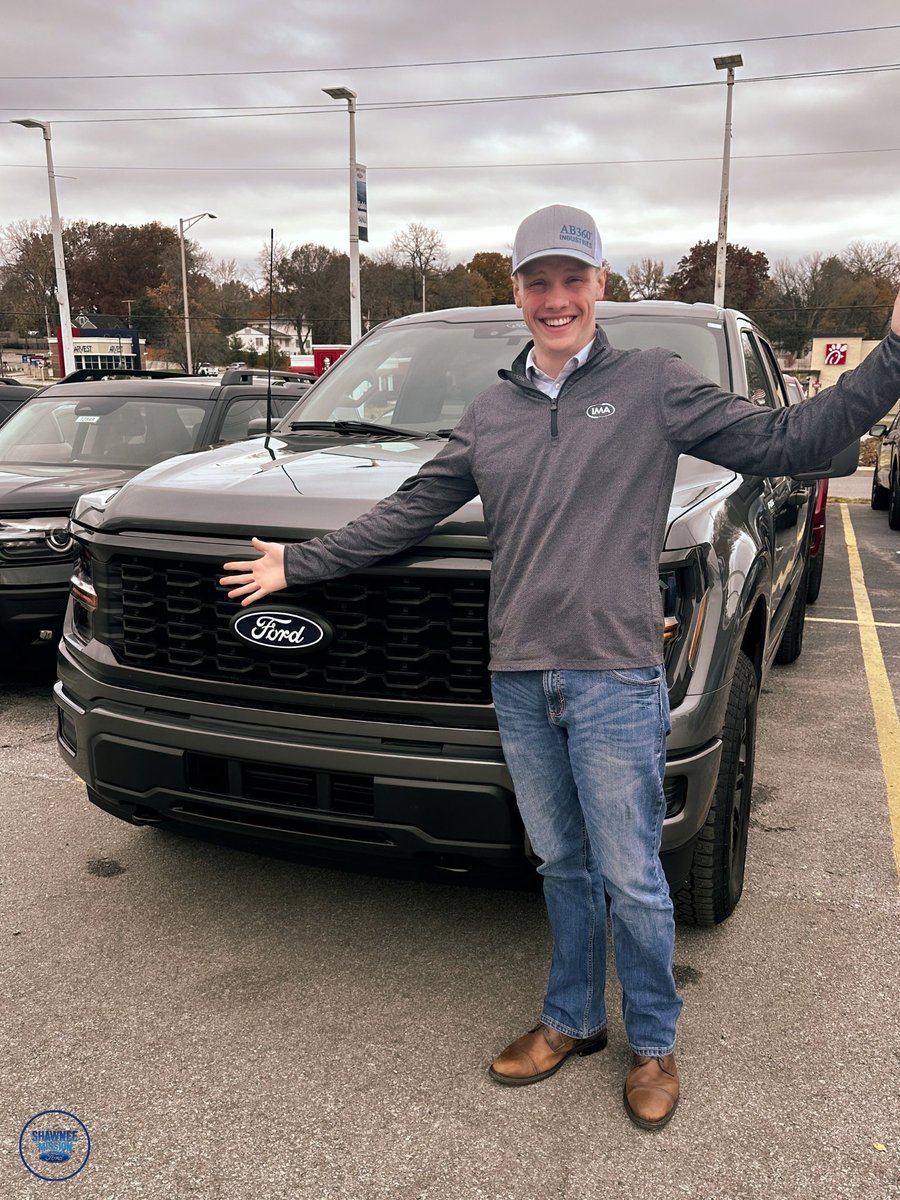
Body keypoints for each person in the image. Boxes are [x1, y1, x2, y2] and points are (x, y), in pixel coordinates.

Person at [222, 204, 900, 1130]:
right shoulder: (491, 414)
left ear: (599, 287)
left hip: (616, 675)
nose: (555, 299)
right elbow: (410, 510)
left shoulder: (654, 384)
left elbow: (786, 441)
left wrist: (893, 354)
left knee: (631, 873)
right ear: (517, 294)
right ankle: (573, 1018)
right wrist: (300, 562)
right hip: (519, 681)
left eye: (571, 281)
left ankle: (654, 1042)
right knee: (562, 863)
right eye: (537, 282)